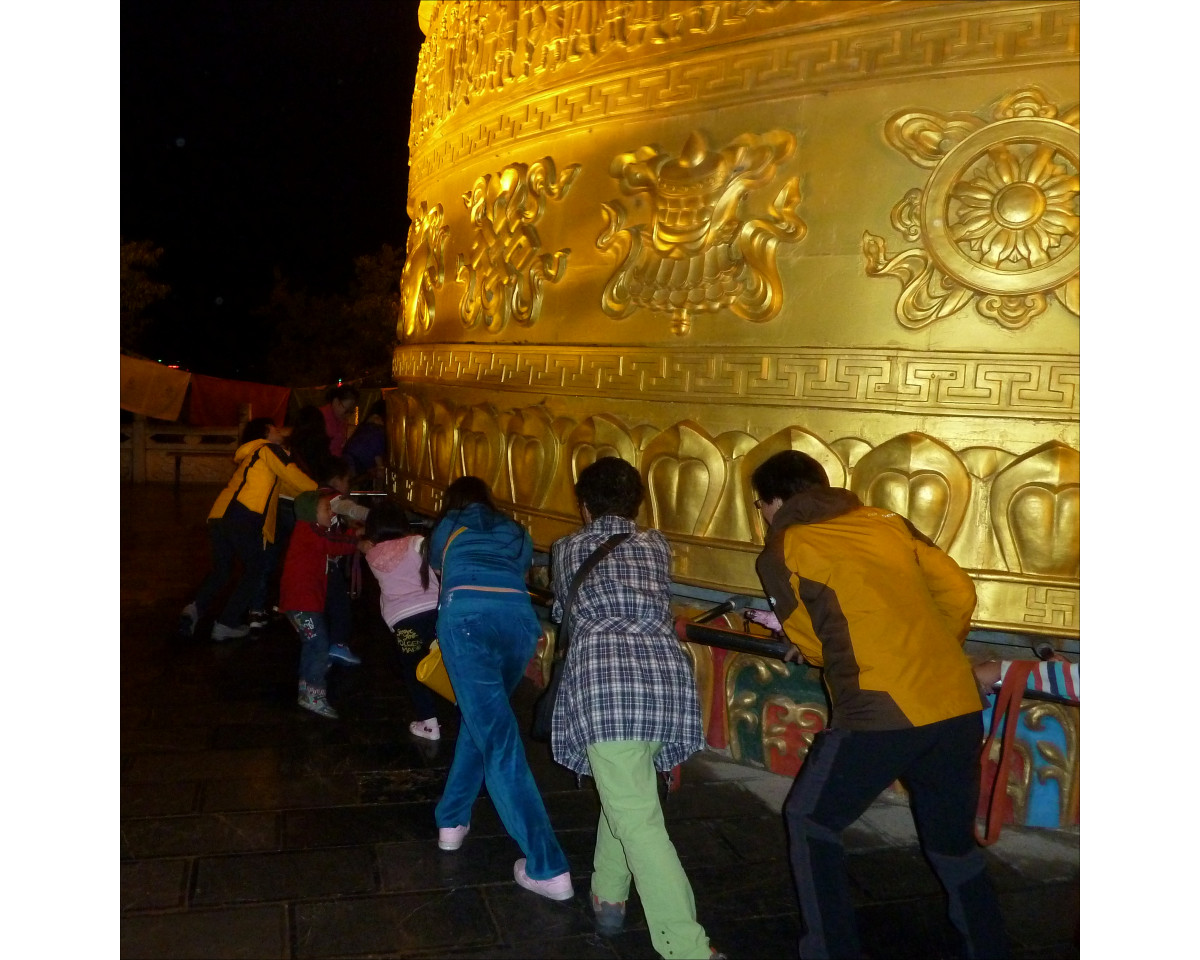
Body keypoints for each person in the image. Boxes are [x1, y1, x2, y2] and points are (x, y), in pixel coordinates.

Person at [747, 450, 1007, 960]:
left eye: (760, 504)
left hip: (880, 710)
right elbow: (957, 590)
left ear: (777, 501)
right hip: (955, 701)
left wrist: (840, 653)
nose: (762, 514)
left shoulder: (784, 548)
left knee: (810, 820)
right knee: (952, 845)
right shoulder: (885, 521)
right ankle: (988, 947)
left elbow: (811, 639)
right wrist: (935, 649)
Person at [550, 457, 720, 960]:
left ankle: (685, 947)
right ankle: (608, 895)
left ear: (583, 506)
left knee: (639, 820)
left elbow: (567, 607)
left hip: (607, 685)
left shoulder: (567, 547)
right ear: (637, 503)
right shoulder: (655, 544)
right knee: (629, 793)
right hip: (665, 680)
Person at [422, 476, 573, 902]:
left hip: (466, 621)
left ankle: (547, 864)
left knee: (499, 738)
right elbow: (520, 569)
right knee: (485, 723)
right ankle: (451, 819)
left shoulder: (449, 524)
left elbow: (438, 567)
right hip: (518, 623)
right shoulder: (515, 529)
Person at [180, 417, 316, 642]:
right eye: (274, 427)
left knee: (222, 570)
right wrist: (322, 491)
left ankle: (193, 609)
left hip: (219, 515)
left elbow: (287, 485)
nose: (279, 430)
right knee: (255, 569)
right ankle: (226, 623)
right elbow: (291, 474)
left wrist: (310, 491)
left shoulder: (253, 456)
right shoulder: (268, 449)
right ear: (265, 432)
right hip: (243, 515)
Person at [359, 500, 442, 739]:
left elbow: (364, 546)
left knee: (414, 670)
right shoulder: (417, 542)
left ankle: (430, 724)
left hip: (402, 622)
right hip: (433, 613)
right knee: (446, 660)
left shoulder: (372, 555)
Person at [278, 488, 362, 718]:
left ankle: (307, 690)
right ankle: (314, 696)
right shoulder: (310, 532)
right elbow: (335, 544)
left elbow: (333, 539)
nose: (332, 513)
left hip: (301, 602)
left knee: (312, 645)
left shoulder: (310, 531)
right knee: (318, 646)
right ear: (310, 513)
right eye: (326, 509)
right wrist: (358, 539)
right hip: (302, 602)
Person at [343, 399, 387, 490]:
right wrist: (381, 469)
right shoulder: (376, 430)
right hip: (355, 463)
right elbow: (377, 453)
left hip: (350, 460)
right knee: (352, 491)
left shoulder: (365, 427)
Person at [320, 385, 359, 458]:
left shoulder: (341, 420)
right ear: (336, 402)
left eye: (351, 411)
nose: (348, 414)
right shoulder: (320, 419)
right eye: (346, 410)